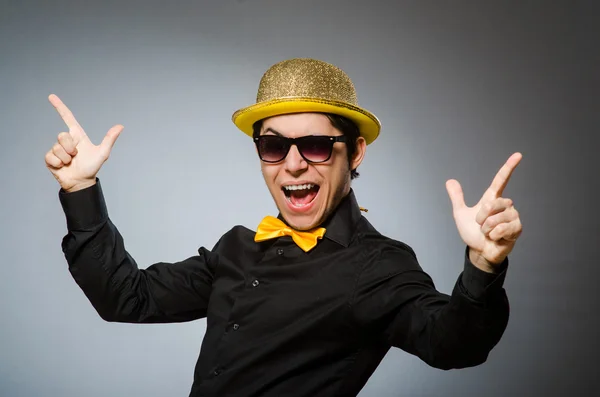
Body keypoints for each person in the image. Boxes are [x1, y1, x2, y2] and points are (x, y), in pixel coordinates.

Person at [45, 58, 523, 397]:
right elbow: (126, 297)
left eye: (315, 145)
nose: (292, 165)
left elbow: (453, 342)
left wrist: (482, 266)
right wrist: (81, 189)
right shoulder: (235, 249)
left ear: (354, 153)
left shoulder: (376, 265)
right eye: (273, 146)